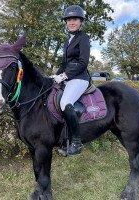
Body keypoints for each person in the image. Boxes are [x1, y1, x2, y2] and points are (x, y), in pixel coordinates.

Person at [52, 5, 90, 156]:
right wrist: (54, 76)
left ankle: (76, 143)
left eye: (74, 19)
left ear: (81, 22)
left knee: (65, 103)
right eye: (68, 20)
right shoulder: (67, 41)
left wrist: (65, 76)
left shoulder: (84, 38)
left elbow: (82, 63)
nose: (71, 22)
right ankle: (63, 138)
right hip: (68, 77)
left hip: (80, 78)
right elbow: (63, 64)